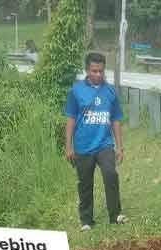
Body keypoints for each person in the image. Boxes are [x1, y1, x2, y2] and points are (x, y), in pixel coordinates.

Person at [64, 52, 127, 232]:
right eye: (94, 71)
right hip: (83, 146)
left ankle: (115, 215)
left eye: (101, 71)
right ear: (87, 70)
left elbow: (115, 120)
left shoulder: (110, 92)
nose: (98, 75)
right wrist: (68, 146)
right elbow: (70, 120)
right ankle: (86, 220)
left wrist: (120, 147)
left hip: (104, 144)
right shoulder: (76, 91)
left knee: (110, 174)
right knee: (84, 183)